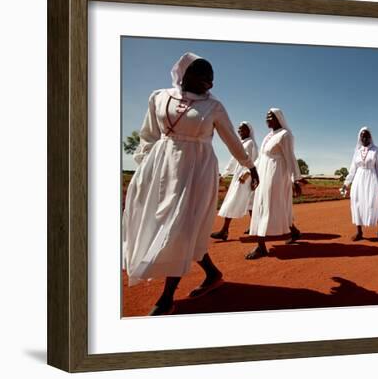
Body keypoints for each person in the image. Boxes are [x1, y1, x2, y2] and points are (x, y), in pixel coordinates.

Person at [122, 52, 259, 316]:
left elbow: (232, 140)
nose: (210, 83)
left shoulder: (214, 106)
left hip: (197, 170)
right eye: (205, 77)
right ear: (185, 74)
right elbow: (148, 135)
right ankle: (212, 273)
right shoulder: (159, 97)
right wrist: (145, 169)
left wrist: (250, 166)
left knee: (183, 227)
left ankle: (167, 298)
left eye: (212, 79)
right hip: (162, 167)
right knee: (169, 225)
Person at [246, 108, 303, 259]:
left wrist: (296, 179)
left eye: (271, 116)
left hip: (276, 175)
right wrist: (250, 172)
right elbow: (261, 157)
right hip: (263, 173)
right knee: (274, 204)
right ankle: (294, 232)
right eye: (266, 117)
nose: (267, 119)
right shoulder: (269, 136)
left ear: (279, 118)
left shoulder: (285, 135)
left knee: (267, 205)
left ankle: (261, 246)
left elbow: (290, 157)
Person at [211, 122, 258, 240]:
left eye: (243, 129)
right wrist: (225, 174)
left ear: (249, 131)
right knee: (250, 202)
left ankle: (224, 230)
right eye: (239, 129)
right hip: (238, 175)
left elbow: (255, 160)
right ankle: (254, 227)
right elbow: (233, 160)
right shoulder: (240, 143)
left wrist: (247, 174)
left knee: (234, 200)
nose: (240, 131)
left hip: (245, 176)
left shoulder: (251, 143)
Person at [341, 127, 378, 241]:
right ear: (360, 138)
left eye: (367, 136)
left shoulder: (376, 150)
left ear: (370, 137)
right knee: (356, 203)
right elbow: (352, 169)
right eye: (362, 136)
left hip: (371, 178)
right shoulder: (357, 151)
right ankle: (359, 231)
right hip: (358, 179)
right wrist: (346, 183)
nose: (364, 138)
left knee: (372, 203)